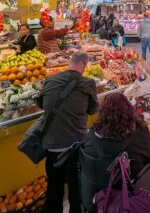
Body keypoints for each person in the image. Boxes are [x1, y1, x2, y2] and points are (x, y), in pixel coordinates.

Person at [80, 92, 150, 212]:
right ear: (128, 110)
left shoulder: (91, 135)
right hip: (124, 192)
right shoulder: (137, 132)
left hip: (95, 194)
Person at [37, 51, 98, 213]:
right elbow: (93, 110)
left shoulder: (50, 80)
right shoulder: (87, 83)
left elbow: (41, 104)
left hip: (52, 145)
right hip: (75, 146)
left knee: (54, 187)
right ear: (84, 65)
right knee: (76, 189)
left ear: (70, 63)